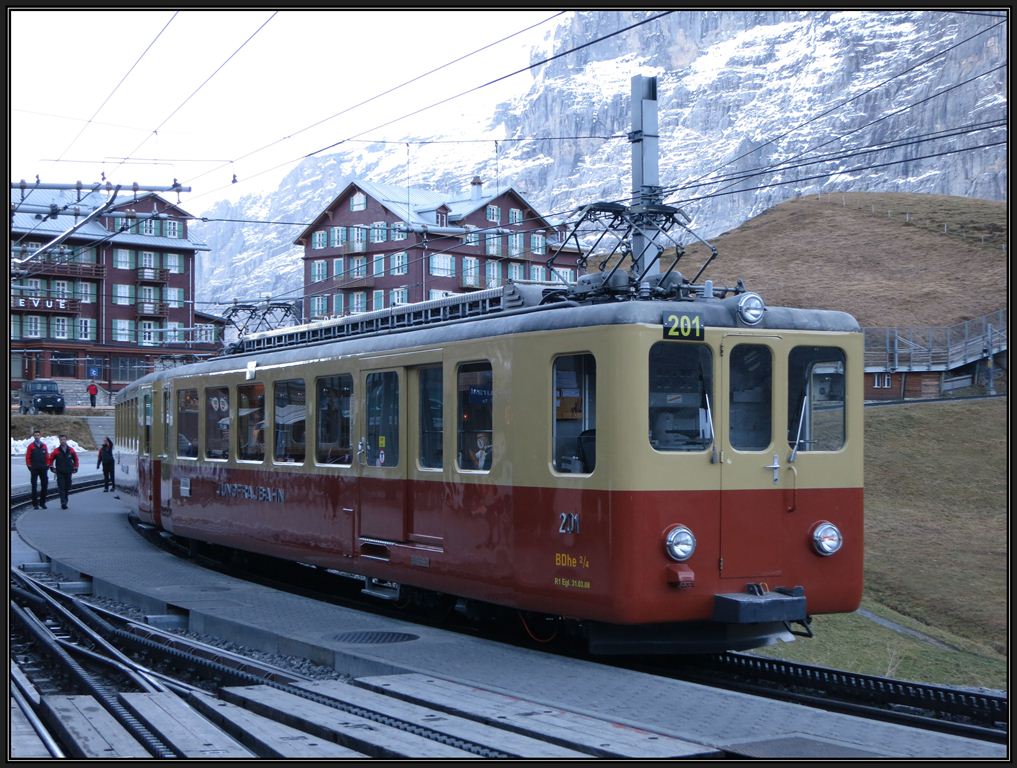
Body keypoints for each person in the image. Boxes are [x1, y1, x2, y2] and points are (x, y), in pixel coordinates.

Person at [48, 434, 79, 510]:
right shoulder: (56, 451)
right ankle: (63, 503)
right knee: (61, 487)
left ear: (66, 440)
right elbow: (50, 459)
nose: (63, 441)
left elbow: (76, 459)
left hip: (69, 471)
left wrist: (75, 467)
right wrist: (51, 467)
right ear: (59, 441)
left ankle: (65, 500)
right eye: (61, 440)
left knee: (67, 487)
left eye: (64, 439)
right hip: (60, 472)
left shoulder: (71, 450)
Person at [25, 430, 50, 509]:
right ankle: (35, 504)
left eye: (38, 435)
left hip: (43, 469)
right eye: (35, 435)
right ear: (33, 436)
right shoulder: (31, 446)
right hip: (34, 469)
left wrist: (47, 464)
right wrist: (29, 466)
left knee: (44, 485)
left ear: (40, 436)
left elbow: (47, 456)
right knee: (34, 486)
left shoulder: (44, 446)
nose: (36, 437)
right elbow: (27, 457)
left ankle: (42, 503)